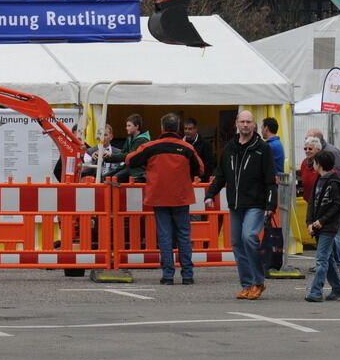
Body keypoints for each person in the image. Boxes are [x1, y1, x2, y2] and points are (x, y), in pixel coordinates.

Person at [124, 113, 204, 285]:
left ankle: (168, 275)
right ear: (178, 129)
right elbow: (200, 169)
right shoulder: (187, 148)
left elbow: (130, 160)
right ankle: (187, 275)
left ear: (162, 128)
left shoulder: (150, 146)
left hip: (159, 196)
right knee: (184, 235)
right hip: (181, 197)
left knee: (165, 236)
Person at [205, 110, 276, 300]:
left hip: (256, 203)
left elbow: (270, 179)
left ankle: (258, 281)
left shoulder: (262, 149)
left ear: (254, 125)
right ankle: (247, 284)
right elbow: (221, 174)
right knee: (236, 243)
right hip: (235, 204)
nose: (245, 125)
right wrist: (210, 193)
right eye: (242, 122)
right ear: (237, 123)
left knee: (249, 237)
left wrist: (271, 204)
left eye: (249, 122)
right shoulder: (229, 148)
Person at [304, 150, 340, 302]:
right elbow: (312, 203)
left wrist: (321, 221)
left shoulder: (334, 182)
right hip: (319, 226)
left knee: (321, 259)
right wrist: (309, 222)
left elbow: (338, 205)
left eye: (314, 162)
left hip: (328, 227)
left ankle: (316, 291)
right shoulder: (319, 180)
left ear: (319, 164)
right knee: (327, 259)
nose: (313, 165)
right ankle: (338, 288)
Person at [307, 129, 340, 272]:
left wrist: (337, 189)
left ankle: (338, 263)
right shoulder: (311, 161)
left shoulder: (330, 155)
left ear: (318, 144)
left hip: (331, 199)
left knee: (334, 232)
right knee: (326, 239)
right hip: (319, 200)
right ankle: (332, 270)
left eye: (309, 146)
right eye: (305, 147)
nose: (306, 149)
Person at [107, 114, 152, 182]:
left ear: (137, 126)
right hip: (128, 167)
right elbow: (123, 153)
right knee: (105, 177)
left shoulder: (142, 140)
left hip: (138, 169)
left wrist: (111, 156)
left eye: (129, 126)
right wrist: (107, 157)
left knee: (114, 179)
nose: (126, 128)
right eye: (126, 126)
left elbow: (129, 156)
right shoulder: (130, 138)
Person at [299, 137, 323, 203]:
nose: (307, 151)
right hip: (309, 200)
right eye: (305, 149)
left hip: (320, 200)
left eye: (310, 149)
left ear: (318, 150)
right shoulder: (304, 162)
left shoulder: (323, 162)